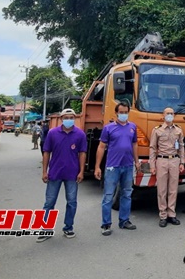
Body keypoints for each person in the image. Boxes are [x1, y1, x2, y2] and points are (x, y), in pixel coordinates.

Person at [38, 109, 87, 242]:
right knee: (49, 202)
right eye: (66, 117)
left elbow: (82, 153)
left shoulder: (80, 134)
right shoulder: (53, 133)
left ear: (75, 118)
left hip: (72, 174)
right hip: (54, 173)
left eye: (71, 117)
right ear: (61, 118)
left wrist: (81, 171)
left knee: (71, 202)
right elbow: (46, 152)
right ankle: (46, 229)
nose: (69, 119)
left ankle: (68, 227)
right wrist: (44, 171)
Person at [94, 101, 139, 235]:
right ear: (116, 113)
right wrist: (97, 166)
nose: (123, 114)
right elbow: (101, 147)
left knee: (126, 194)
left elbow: (134, 144)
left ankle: (124, 220)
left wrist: (136, 161)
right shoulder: (108, 128)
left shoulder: (133, 127)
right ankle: (106, 224)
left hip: (128, 165)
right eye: (121, 112)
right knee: (108, 196)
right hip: (113, 167)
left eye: (126, 112)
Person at [149, 107, 185, 227]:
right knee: (162, 189)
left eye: (171, 113)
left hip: (174, 160)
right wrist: (152, 165)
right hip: (162, 160)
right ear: (163, 115)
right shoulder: (157, 130)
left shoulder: (178, 130)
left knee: (173, 189)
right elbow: (153, 148)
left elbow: (181, 147)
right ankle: (163, 215)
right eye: (167, 113)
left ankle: (172, 214)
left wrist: (182, 162)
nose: (169, 115)